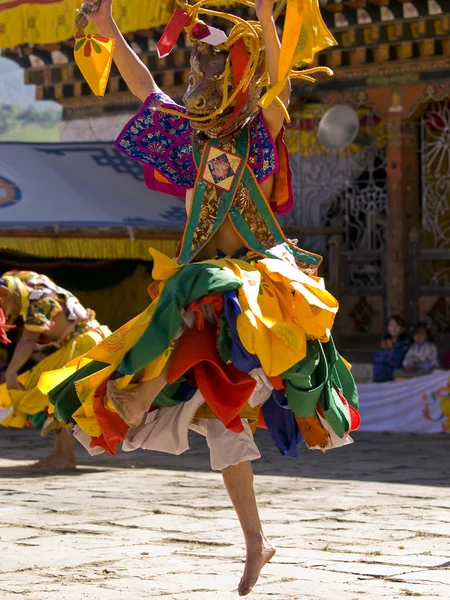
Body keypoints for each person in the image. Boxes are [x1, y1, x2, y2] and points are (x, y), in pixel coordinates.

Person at [39, 0, 360, 595]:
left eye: (214, 69)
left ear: (238, 74)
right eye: (197, 70)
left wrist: (266, 16)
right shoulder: (189, 138)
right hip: (206, 283)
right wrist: (108, 27)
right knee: (224, 429)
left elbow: (281, 76)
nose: (202, 80)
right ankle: (256, 542)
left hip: (257, 281)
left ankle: (143, 396)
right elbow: (142, 87)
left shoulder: (258, 131)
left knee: (200, 292)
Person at [0, 271, 110, 471]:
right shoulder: (34, 284)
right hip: (80, 342)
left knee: (59, 396)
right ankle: (60, 453)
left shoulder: (38, 300)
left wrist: (11, 372)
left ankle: (66, 455)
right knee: (55, 397)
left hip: (84, 343)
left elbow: (27, 340)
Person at [372, 315, 411, 382]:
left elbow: (403, 356)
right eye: (391, 325)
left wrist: (392, 349)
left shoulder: (406, 341)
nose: (394, 328)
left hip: (400, 364)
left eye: (397, 325)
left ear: (402, 329)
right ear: (387, 328)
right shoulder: (386, 339)